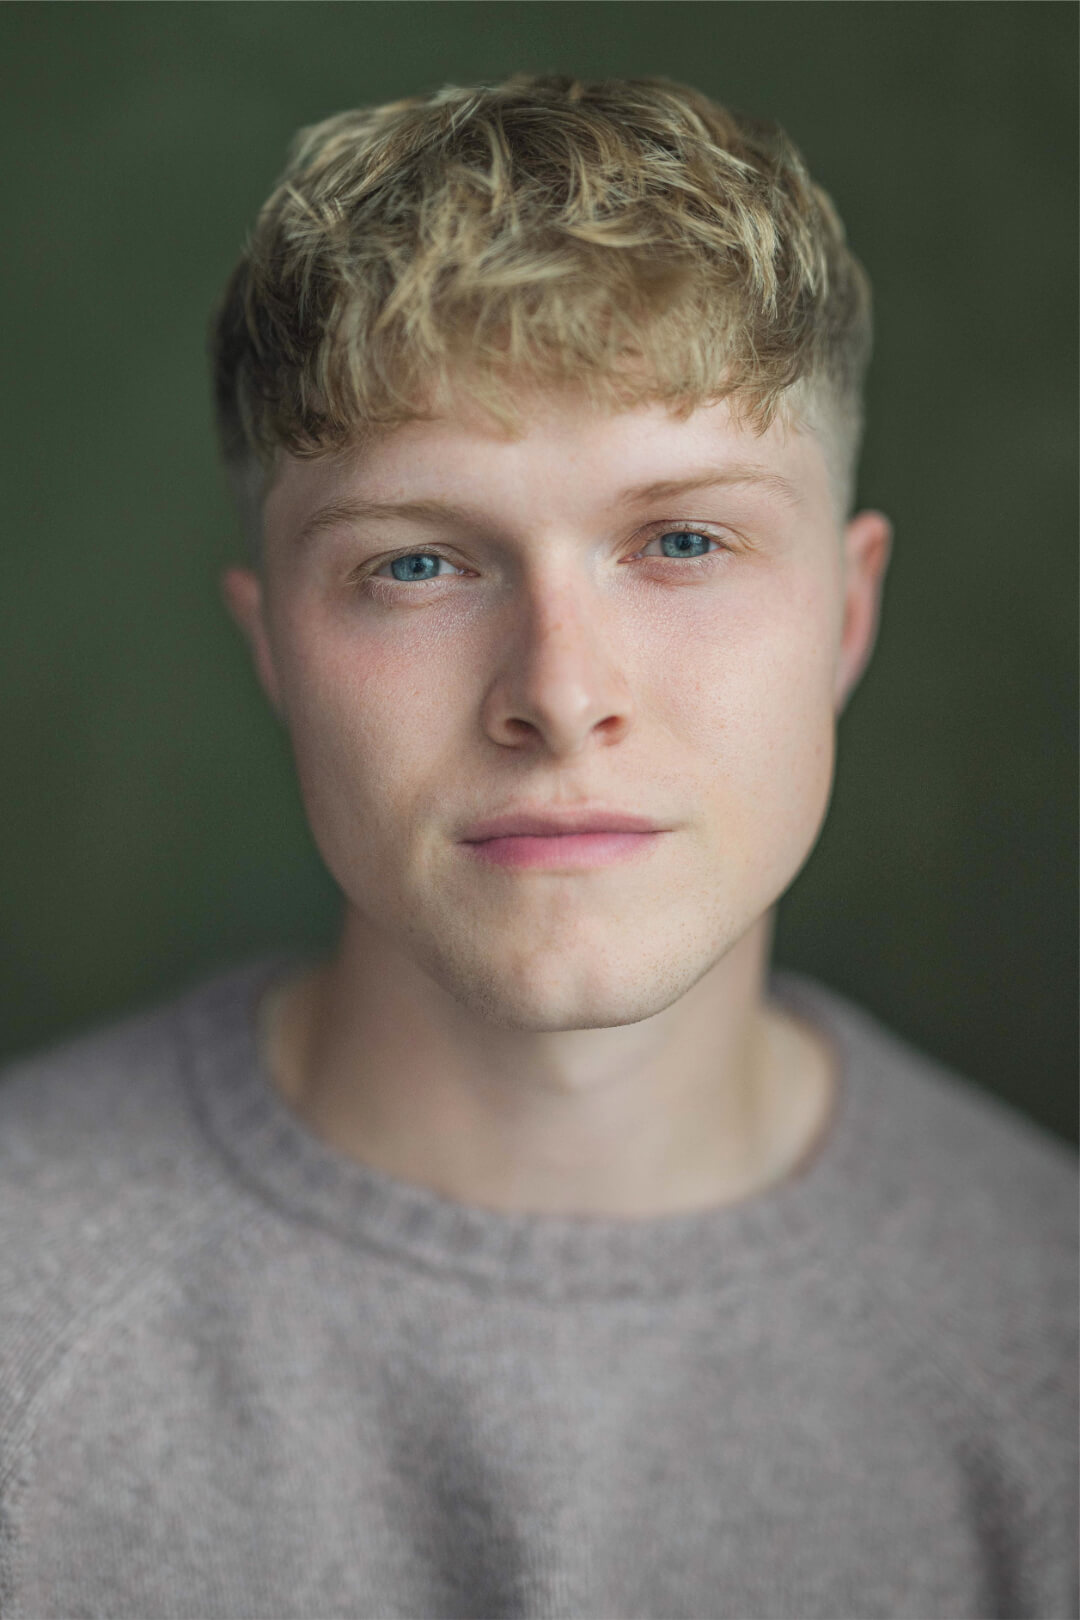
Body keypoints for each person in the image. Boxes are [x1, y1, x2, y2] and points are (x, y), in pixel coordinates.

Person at [1, 73, 1075, 1620]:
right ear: (276, 649)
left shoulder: (1049, 1351)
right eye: (417, 564)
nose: (561, 696)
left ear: (847, 617)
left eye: (685, 541)